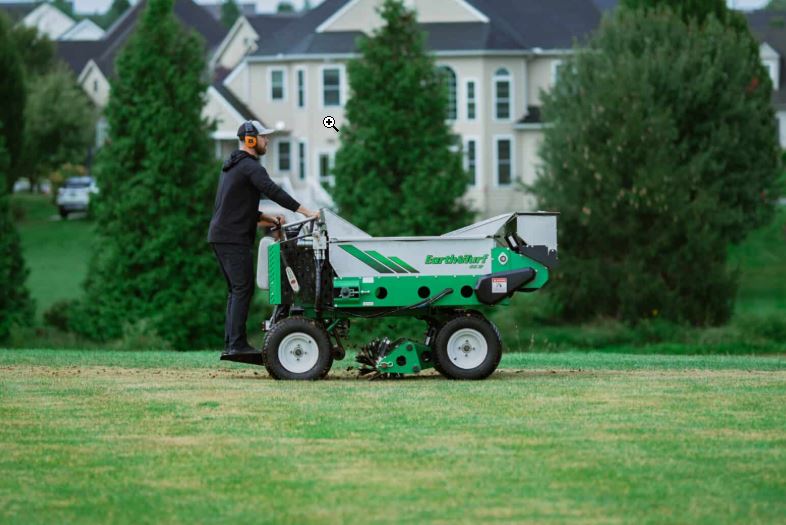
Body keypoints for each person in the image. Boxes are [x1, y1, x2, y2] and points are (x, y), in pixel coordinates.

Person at [208, 120, 318, 356]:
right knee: (242, 289)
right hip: (232, 238)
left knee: (237, 290)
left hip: (221, 236)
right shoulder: (251, 167)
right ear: (250, 140)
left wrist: (267, 217)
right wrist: (306, 211)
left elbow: (236, 207)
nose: (267, 140)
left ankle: (232, 344)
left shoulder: (233, 167)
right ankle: (236, 346)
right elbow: (274, 191)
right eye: (264, 137)